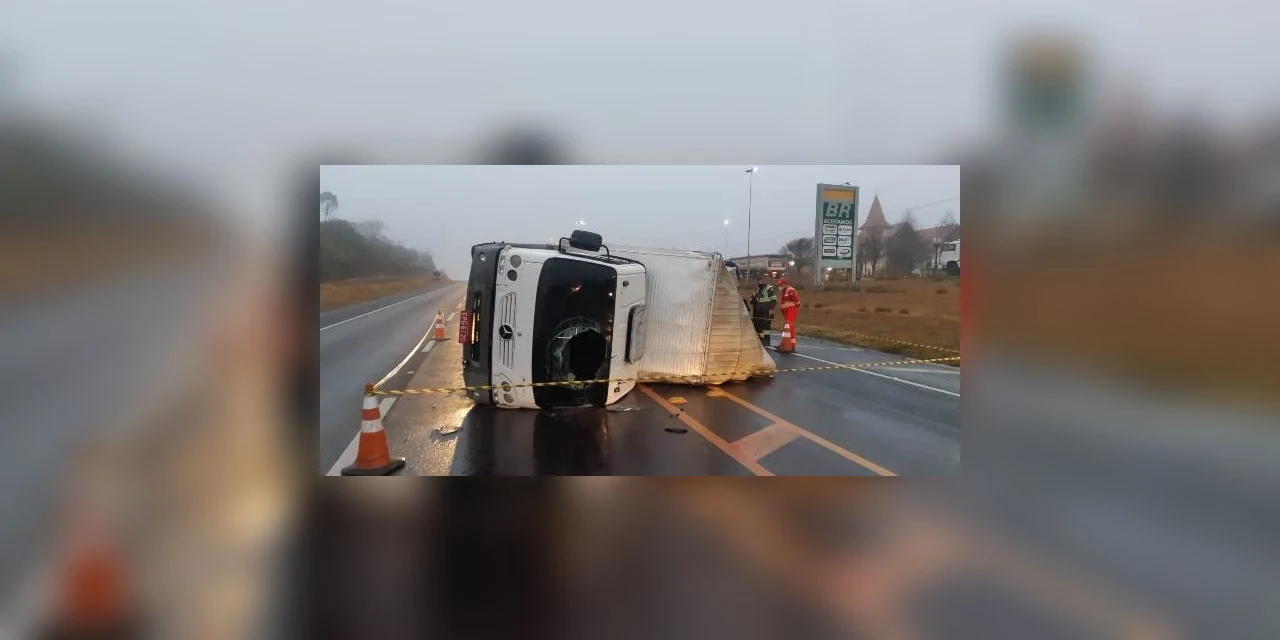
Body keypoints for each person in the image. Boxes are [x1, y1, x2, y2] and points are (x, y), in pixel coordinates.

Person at [750, 276, 777, 346]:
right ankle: (761, 340)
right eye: (758, 281)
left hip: (767, 310)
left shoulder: (769, 288)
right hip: (759, 310)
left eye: (761, 280)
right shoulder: (758, 289)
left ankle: (767, 340)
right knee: (760, 326)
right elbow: (753, 300)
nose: (759, 282)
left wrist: (771, 310)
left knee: (766, 326)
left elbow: (773, 300)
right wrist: (752, 298)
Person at [777, 276, 801, 351]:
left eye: (780, 285)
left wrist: (790, 307)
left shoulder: (790, 290)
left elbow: (797, 302)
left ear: (785, 284)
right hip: (787, 311)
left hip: (791, 310)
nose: (779, 287)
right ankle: (786, 343)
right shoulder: (785, 290)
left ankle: (789, 344)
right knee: (787, 326)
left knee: (788, 325)